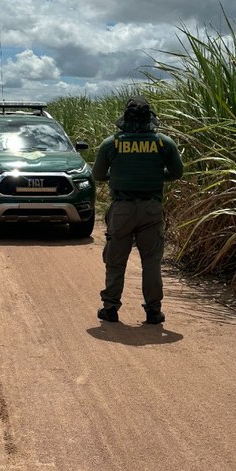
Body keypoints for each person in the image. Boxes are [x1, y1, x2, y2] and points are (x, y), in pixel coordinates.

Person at [92, 96, 184, 324]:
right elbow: (176, 173)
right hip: (151, 210)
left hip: (122, 210)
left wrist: (118, 177)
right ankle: (153, 311)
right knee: (151, 261)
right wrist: (155, 177)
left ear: (126, 118)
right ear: (149, 118)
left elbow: (98, 175)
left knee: (116, 260)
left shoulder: (111, 144)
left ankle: (111, 308)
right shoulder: (164, 143)